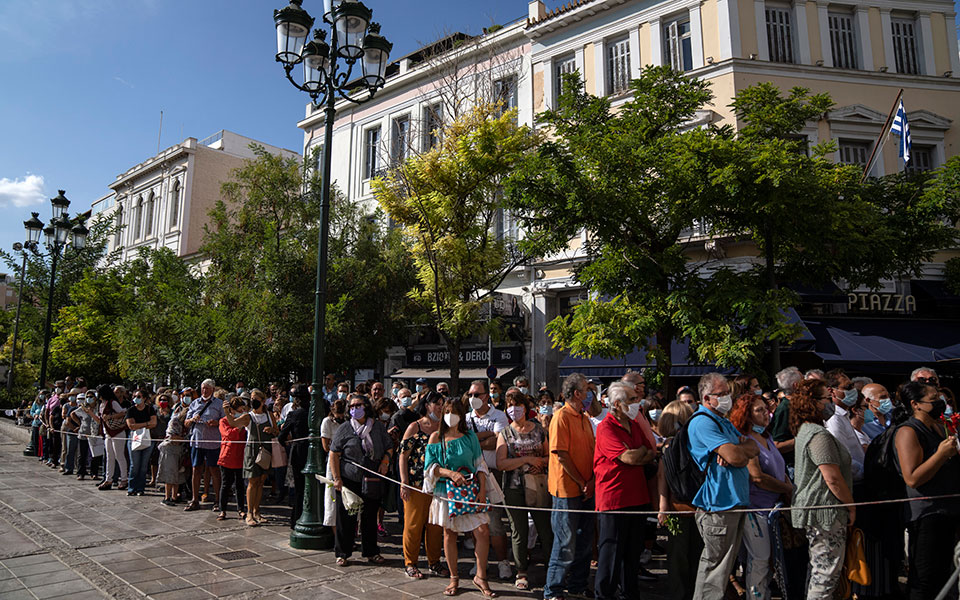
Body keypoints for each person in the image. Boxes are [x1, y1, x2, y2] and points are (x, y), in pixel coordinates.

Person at [686, 372, 760, 600]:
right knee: (714, 569)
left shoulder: (722, 420)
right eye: (722, 394)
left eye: (728, 393)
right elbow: (738, 457)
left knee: (723, 567)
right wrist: (735, 451)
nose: (728, 397)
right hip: (717, 504)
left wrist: (737, 449)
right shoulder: (702, 422)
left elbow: (753, 447)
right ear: (707, 398)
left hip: (732, 502)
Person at [424, 397, 496, 598]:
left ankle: (481, 576)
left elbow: (480, 464)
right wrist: (451, 473)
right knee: (450, 533)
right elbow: (431, 469)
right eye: (446, 411)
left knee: (482, 531)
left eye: (454, 412)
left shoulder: (470, 436)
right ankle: (454, 577)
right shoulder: (436, 439)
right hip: (445, 492)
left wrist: (482, 491)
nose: (450, 416)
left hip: (471, 490)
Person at [894, 380, 960, 600]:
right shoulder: (908, 431)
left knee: (944, 577)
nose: (939, 403)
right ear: (915, 404)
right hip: (927, 515)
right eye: (933, 400)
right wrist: (940, 455)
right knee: (924, 579)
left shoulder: (939, 426)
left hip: (949, 512)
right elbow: (912, 478)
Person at [790, 378, 855, 600]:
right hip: (825, 512)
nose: (831, 403)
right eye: (828, 399)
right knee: (826, 574)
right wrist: (851, 506)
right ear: (814, 403)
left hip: (820, 512)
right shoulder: (817, 435)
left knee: (822, 571)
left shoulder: (808, 431)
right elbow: (832, 478)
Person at [593, 382, 655, 600]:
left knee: (632, 554)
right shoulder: (606, 427)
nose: (637, 404)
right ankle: (605, 595)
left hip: (637, 497)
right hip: (614, 499)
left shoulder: (635, 425)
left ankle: (630, 594)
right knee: (611, 554)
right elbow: (628, 457)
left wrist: (638, 454)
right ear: (617, 404)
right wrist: (638, 454)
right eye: (632, 400)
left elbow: (650, 451)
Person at [728, 393, 791, 600]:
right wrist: (786, 488)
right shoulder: (744, 440)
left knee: (771, 560)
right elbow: (757, 477)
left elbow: (779, 470)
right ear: (747, 415)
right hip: (755, 510)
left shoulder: (767, 437)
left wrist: (789, 488)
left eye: (766, 409)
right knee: (760, 559)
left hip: (774, 508)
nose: (765, 414)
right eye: (759, 410)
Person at [543, 373, 596, 600]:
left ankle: (577, 585)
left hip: (586, 489)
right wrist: (582, 482)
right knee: (565, 543)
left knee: (584, 543)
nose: (589, 394)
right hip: (566, 491)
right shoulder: (561, 417)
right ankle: (552, 590)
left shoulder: (584, 418)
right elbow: (561, 455)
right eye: (586, 390)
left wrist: (591, 481)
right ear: (577, 393)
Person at [496, 387, 551, 590]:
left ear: (525, 407)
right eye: (509, 406)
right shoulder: (505, 433)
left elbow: (549, 456)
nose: (513, 409)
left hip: (538, 485)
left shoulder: (538, 430)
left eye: (517, 405)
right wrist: (527, 459)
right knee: (518, 530)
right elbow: (502, 463)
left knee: (545, 529)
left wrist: (540, 462)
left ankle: (550, 568)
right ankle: (521, 571)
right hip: (513, 487)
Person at [330, 393, 393, 566]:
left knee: (370, 517)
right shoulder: (344, 428)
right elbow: (334, 454)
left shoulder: (378, 427)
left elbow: (389, 447)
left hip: (372, 478)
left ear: (366, 407)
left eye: (358, 406)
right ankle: (343, 552)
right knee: (346, 517)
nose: (355, 409)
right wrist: (337, 478)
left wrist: (385, 462)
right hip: (350, 478)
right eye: (351, 407)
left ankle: (371, 551)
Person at [465, 379, 512, 581]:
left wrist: (475, 440)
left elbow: (497, 442)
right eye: (470, 395)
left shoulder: (499, 416)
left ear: (487, 396)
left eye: (477, 394)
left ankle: (503, 562)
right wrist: (485, 438)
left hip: (493, 474)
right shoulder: (465, 418)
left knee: (495, 524)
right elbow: (464, 444)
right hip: (471, 476)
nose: (473, 398)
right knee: (476, 524)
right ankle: (480, 563)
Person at [398, 391, 447, 580]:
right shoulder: (414, 427)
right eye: (437, 403)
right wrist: (404, 482)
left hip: (439, 485)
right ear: (427, 405)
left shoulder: (445, 427)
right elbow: (403, 455)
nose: (440, 407)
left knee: (435, 524)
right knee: (413, 524)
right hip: (416, 483)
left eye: (442, 404)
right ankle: (410, 563)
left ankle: (434, 562)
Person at [656, 400, 700, 600]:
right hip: (682, 507)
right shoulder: (671, 446)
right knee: (683, 556)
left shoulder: (672, 445)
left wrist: (663, 505)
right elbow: (662, 477)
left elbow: (661, 478)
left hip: (683, 506)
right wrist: (663, 505)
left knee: (682, 556)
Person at [225, 388, 277, 526]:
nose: (253, 401)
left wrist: (272, 430)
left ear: (263, 401)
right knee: (252, 482)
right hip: (252, 451)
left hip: (266, 451)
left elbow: (277, 431)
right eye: (252, 399)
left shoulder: (269, 415)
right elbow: (233, 423)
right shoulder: (248, 416)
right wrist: (226, 411)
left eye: (256, 399)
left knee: (261, 481)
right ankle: (249, 513)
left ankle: (257, 511)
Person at [183, 379, 224, 511]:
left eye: (207, 388)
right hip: (197, 441)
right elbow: (186, 422)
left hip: (212, 442)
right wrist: (191, 420)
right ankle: (195, 500)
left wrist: (216, 423)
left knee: (214, 470)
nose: (204, 390)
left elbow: (225, 421)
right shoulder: (195, 403)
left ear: (212, 389)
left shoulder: (219, 404)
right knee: (196, 470)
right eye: (203, 388)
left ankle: (218, 500)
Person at [278, 384, 310, 528]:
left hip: (298, 453)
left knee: (299, 489)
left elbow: (281, 436)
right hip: (314, 454)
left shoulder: (294, 414)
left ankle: (296, 519)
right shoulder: (317, 413)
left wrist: (289, 443)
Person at [824, 369, 865, 480]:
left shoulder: (843, 415)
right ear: (831, 391)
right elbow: (843, 458)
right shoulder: (834, 420)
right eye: (847, 388)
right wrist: (864, 472)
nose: (853, 390)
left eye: (852, 386)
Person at [217, 396, 247, 521]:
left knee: (240, 485)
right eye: (240, 410)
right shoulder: (223, 421)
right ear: (233, 410)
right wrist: (238, 427)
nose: (242, 412)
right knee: (226, 484)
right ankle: (222, 510)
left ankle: (241, 509)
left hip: (240, 456)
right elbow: (229, 435)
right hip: (227, 456)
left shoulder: (244, 420)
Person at [158, 393, 190, 505]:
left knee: (178, 474)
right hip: (170, 449)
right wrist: (184, 439)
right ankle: (167, 497)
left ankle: (175, 496)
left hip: (180, 450)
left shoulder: (187, 426)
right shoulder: (175, 421)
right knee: (170, 473)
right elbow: (171, 437)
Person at [125, 390, 157, 496]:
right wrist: (146, 424)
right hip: (134, 438)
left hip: (147, 438)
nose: (136, 398)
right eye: (134, 396)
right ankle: (131, 487)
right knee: (134, 464)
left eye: (139, 396)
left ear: (144, 398)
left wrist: (139, 425)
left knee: (143, 465)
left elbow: (154, 423)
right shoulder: (131, 410)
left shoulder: (149, 409)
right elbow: (131, 426)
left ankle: (140, 488)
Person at [320, 398, 346, 532]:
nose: (341, 418)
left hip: (346, 462)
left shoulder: (347, 422)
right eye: (338, 415)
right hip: (333, 461)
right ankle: (336, 533)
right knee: (332, 498)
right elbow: (326, 446)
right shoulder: (327, 422)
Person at [769, 366, 803, 466]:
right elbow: (777, 445)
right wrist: (803, 439)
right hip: (792, 465)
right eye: (804, 381)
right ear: (796, 385)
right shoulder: (784, 409)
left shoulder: (797, 405)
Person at [98, 385, 128, 491]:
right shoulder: (102, 404)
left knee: (119, 456)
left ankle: (124, 479)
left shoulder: (112, 402)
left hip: (117, 431)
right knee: (109, 457)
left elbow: (123, 412)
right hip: (108, 432)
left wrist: (110, 417)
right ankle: (108, 479)